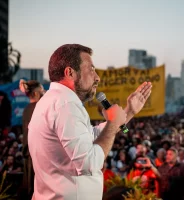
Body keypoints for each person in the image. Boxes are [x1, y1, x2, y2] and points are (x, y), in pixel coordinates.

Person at [28, 44, 152, 200]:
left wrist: (129, 112)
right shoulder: (66, 105)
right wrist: (113, 123)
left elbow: (90, 137)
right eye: (91, 69)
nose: (97, 77)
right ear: (70, 72)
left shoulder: (53, 100)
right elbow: (89, 163)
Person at [19, 79, 45, 199]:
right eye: (42, 91)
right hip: (37, 157)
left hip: (30, 155)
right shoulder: (40, 108)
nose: (44, 92)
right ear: (35, 93)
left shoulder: (26, 110)